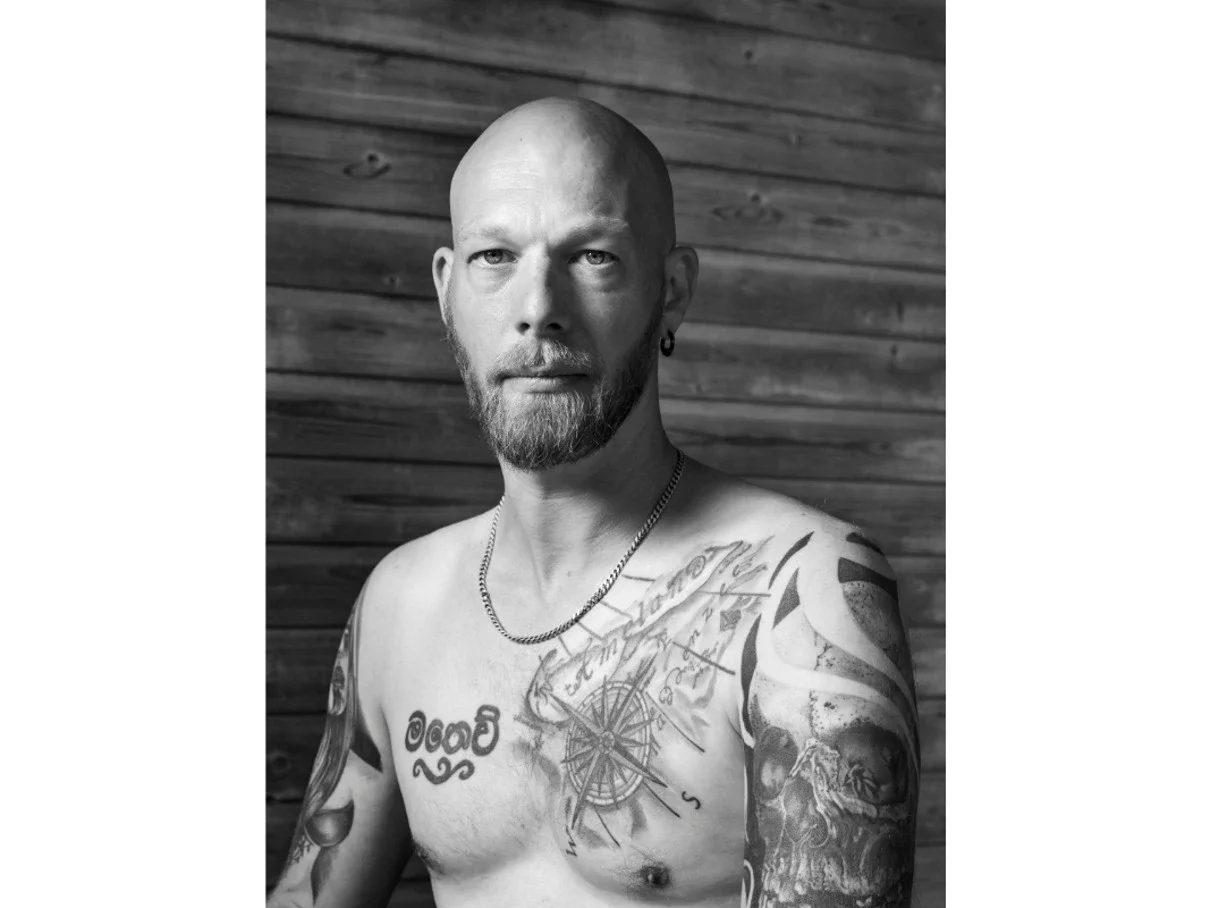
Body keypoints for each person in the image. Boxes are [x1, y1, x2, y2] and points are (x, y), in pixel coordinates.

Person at [269, 97, 919, 908]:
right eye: (494, 255)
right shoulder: (400, 605)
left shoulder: (803, 594)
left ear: (671, 290)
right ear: (446, 290)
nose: (538, 305)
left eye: (593, 257)